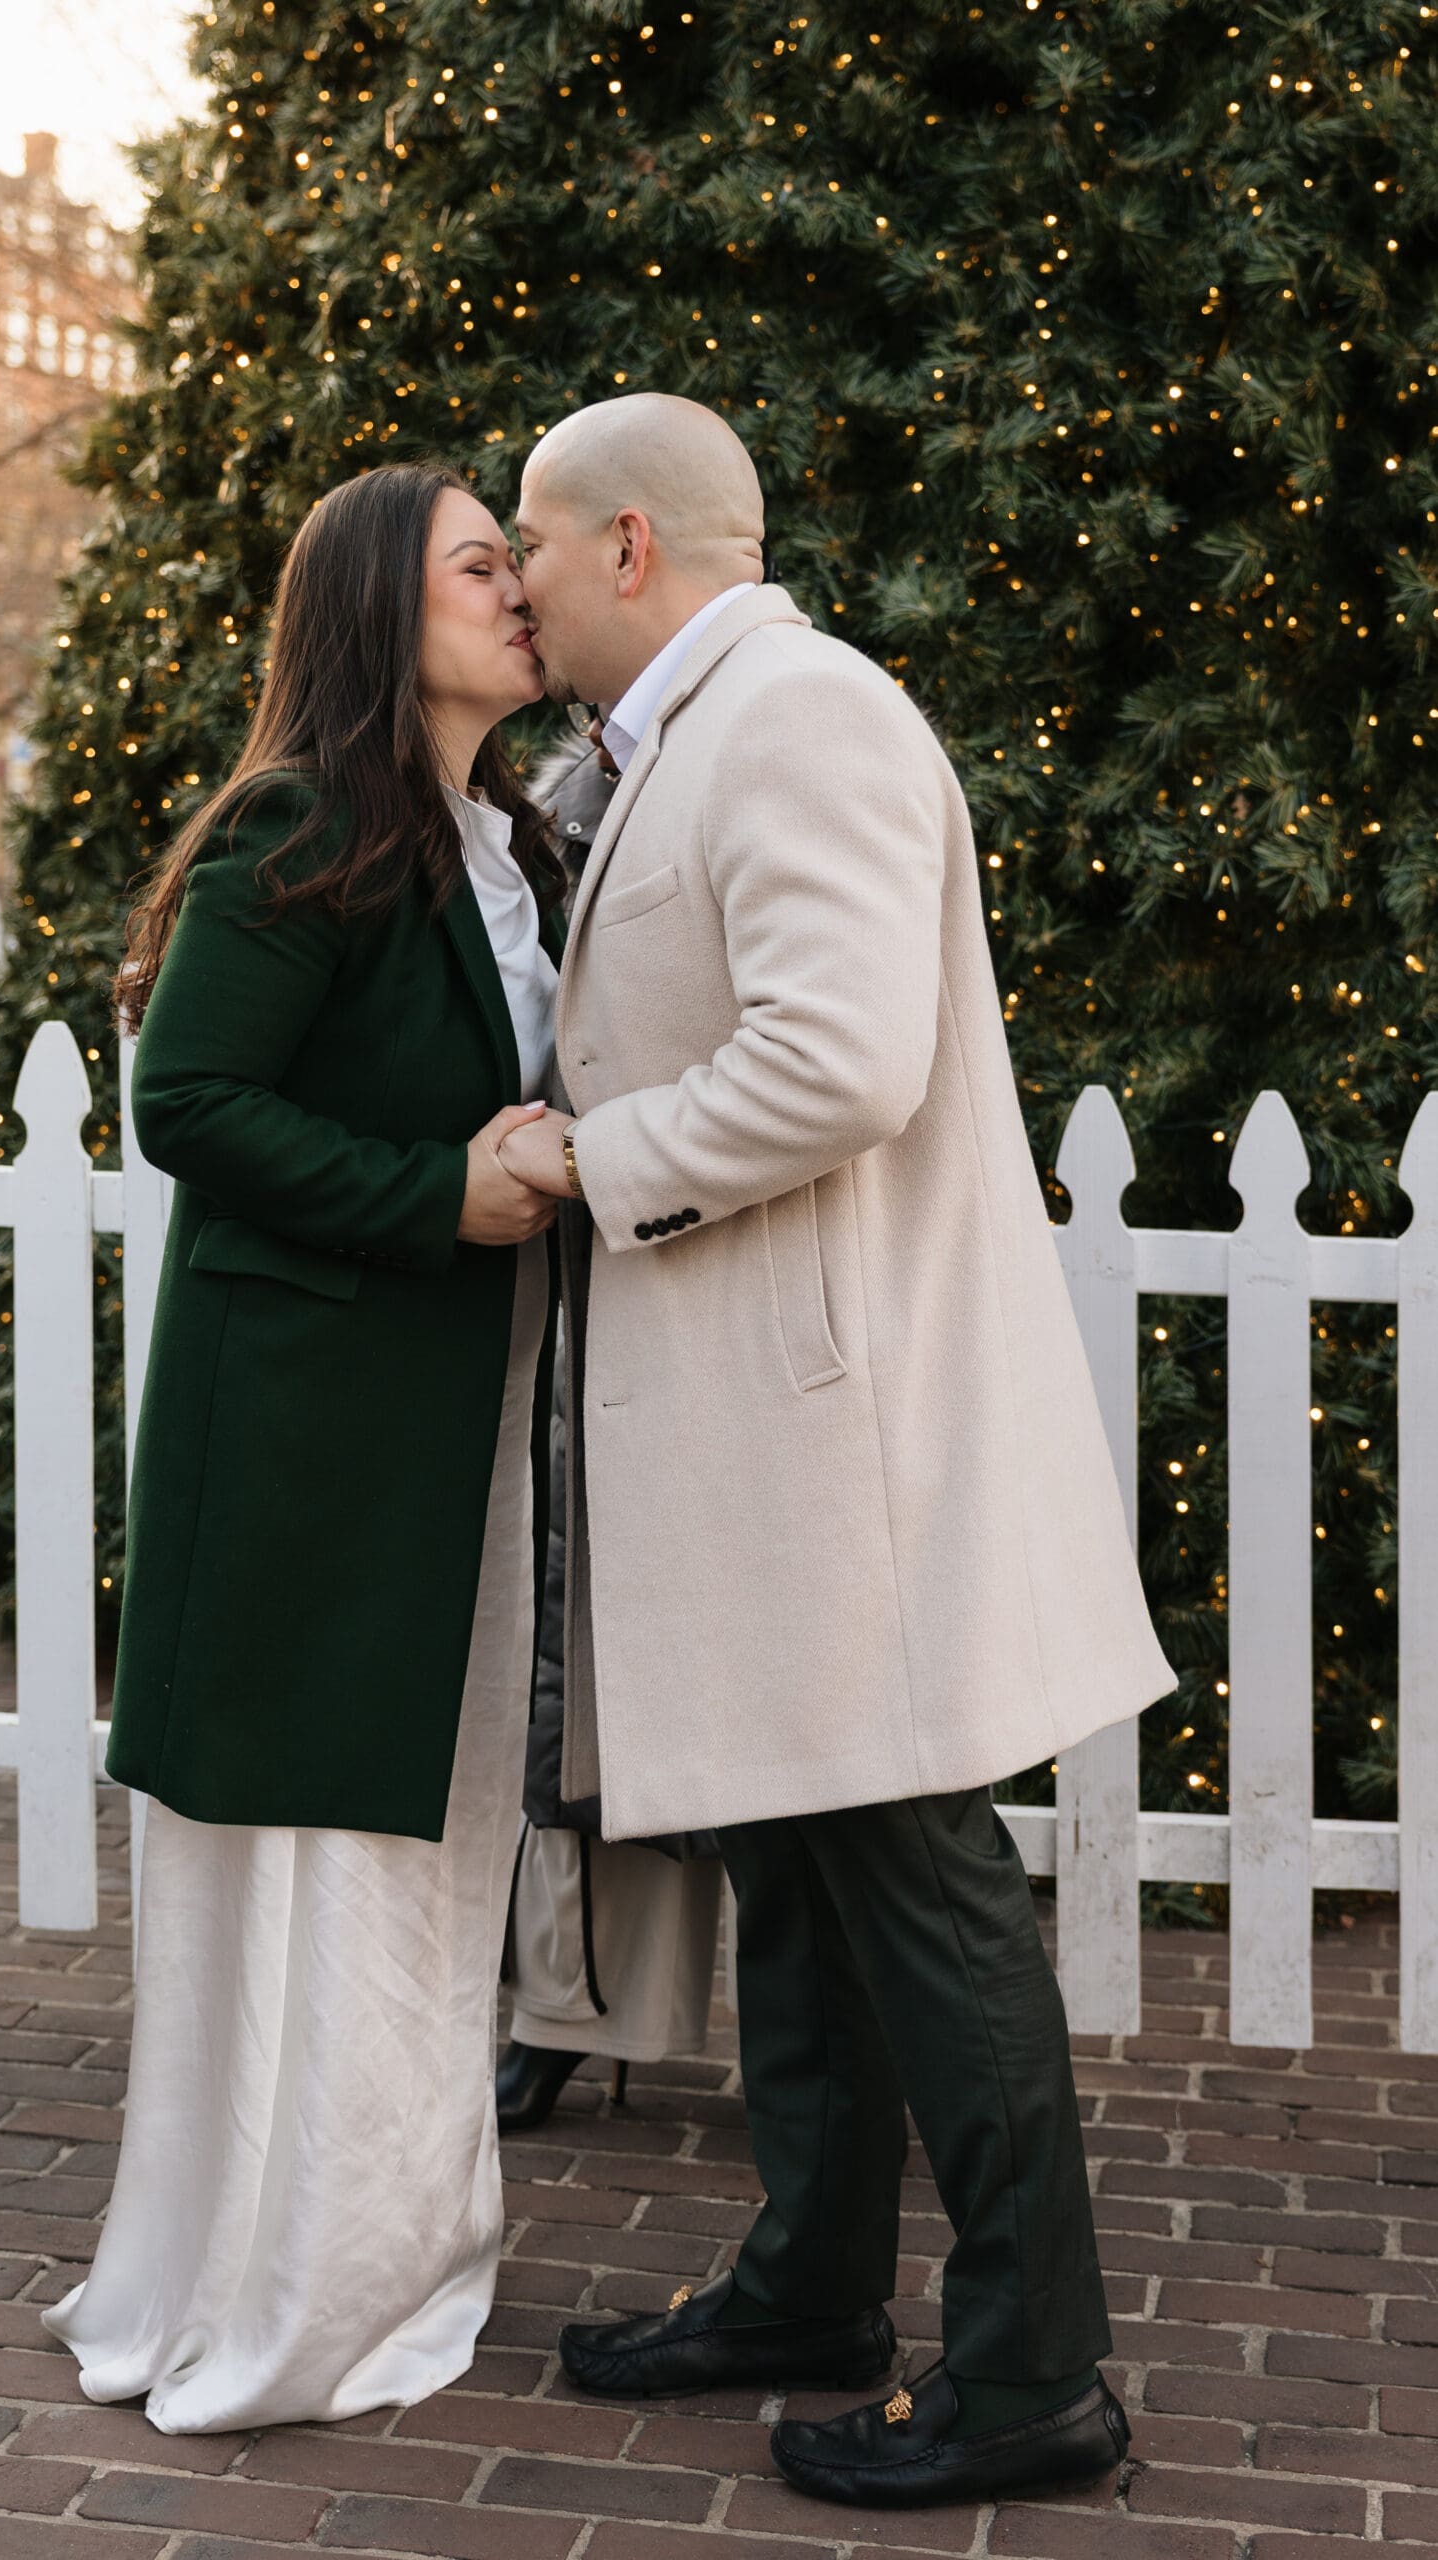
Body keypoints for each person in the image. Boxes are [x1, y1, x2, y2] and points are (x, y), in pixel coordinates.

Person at [499, 394, 1175, 2512]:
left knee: (913, 1882)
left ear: (628, 547)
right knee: (799, 1877)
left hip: (837, 1441)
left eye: (526, 542)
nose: (509, 583)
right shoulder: (700, 736)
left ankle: (1033, 2370)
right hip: (768, 1442)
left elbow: (839, 1051)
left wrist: (598, 1161)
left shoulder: (799, 716)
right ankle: (805, 2283)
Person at [43, 461, 566, 2432]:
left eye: (518, 561)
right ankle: (291, 2281)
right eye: (477, 563)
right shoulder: (298, 826)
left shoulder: (499, 836)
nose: (516, 589)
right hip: (304, 1442)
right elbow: (188, 1097)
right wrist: (433, 1191)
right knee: (319, 1858)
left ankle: (379, 2242)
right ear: (376, 608)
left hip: (446, 1418)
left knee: (422, 1849)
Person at [497, 727, 726, 2135]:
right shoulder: (548, 792)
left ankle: (847, 2052)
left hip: (718, 1232)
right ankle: (568, 2008)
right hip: (577, 1245)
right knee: (582, 1665)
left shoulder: (759, 742)